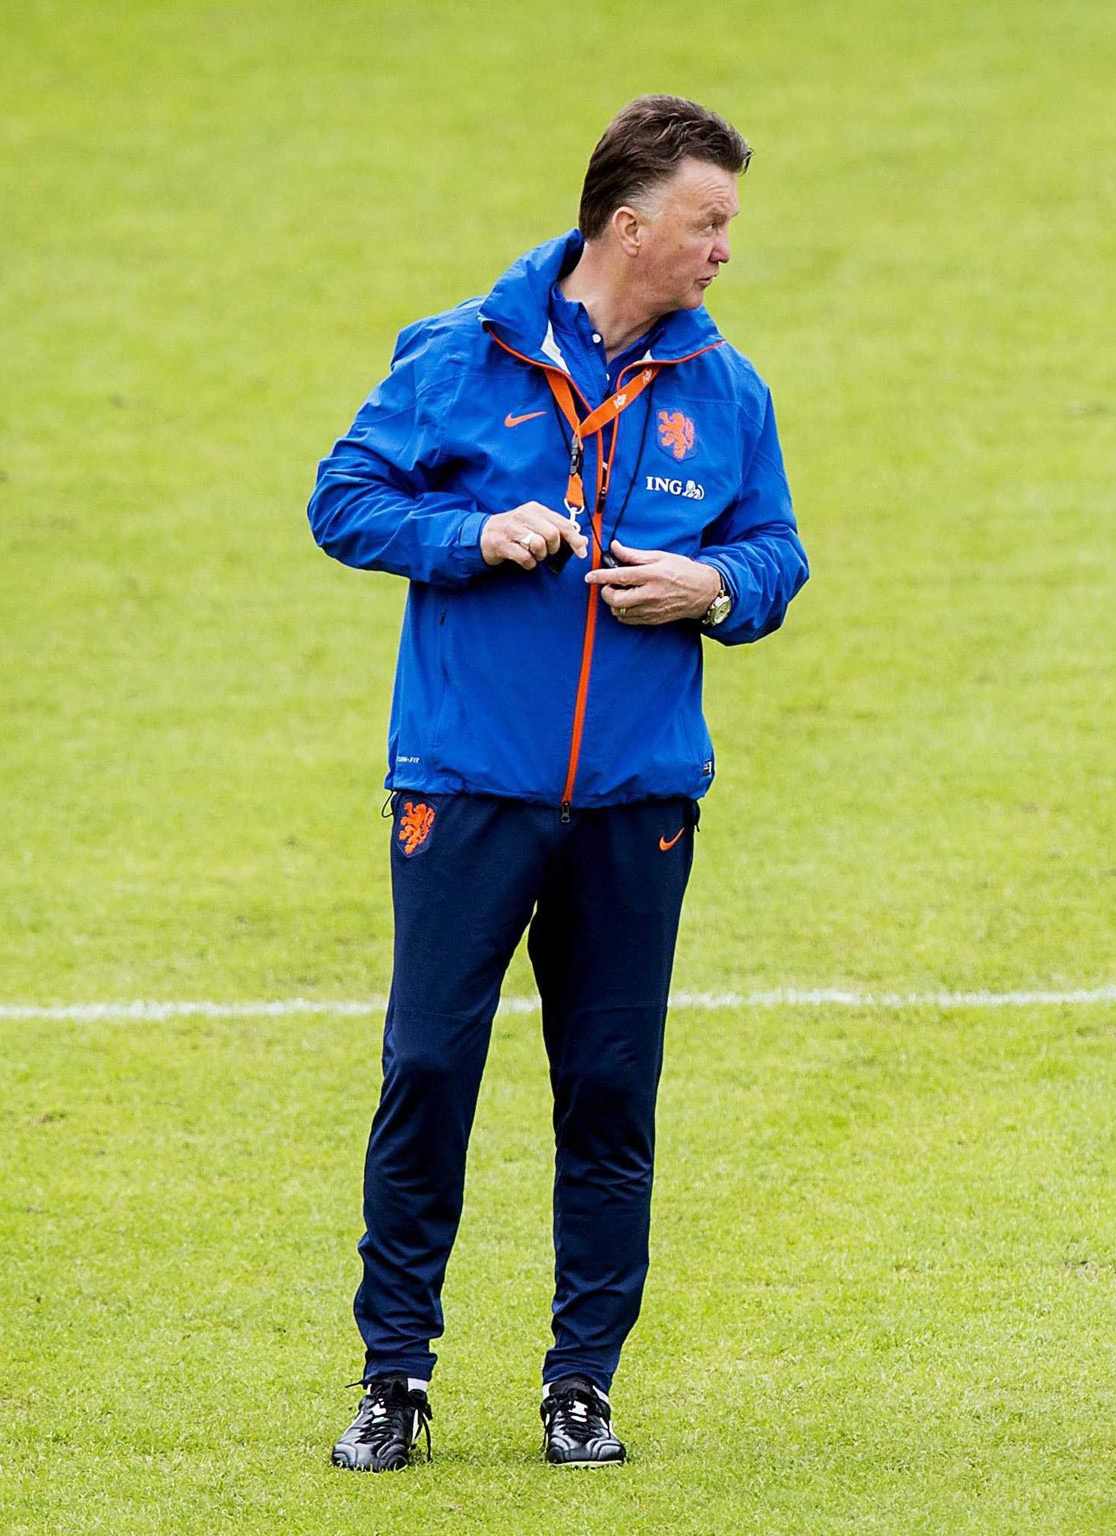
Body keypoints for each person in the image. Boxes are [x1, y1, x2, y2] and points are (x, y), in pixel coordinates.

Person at [307, 94, 808, 1470]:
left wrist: (713, 583)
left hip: (638, 802)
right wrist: (473, 532)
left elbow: (778, 557)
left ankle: (580, 1383)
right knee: (427, 1073)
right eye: (708, 224)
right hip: (468, 787)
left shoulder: (728, 389)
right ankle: (393, 1379)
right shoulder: (457, 358)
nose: (723, 250)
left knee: (608, 1092)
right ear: (627, 226)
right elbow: (342, 501)